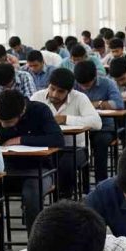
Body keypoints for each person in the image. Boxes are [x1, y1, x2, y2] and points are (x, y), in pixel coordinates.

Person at [0, 89, 65, 228]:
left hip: (38, 169)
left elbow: (57, 139)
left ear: (21, 113)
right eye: (0, 121)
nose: (2, 125)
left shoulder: (39, 110)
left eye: (7, 122)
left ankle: (34, 241)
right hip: (6, 169)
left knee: (31, 193)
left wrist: (21, 139)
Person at [30, 68, 102, 197]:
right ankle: (38, 199)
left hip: (75, 148)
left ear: (69, 91)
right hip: (47, 147)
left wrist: (65, 119)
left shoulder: (80, 98)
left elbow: (97, 123)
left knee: (65, 165)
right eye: (52, 88)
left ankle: (64, 199)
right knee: (34, 165)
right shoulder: (37, 97)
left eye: (60, 91)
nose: (54, 94)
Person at [73, 61, 124, 184]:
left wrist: (97, 104)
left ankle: (101, 182)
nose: (85, 87)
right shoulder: (73, 84)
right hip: (81, 127)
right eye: (82, 85)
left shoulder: (107, 83)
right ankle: (83, 186)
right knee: (79, 146)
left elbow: (118, 104)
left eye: (88, 84)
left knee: (100, 142)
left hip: (104, 127)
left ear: (95, 75)